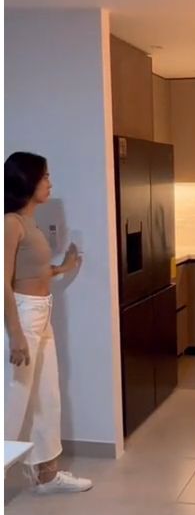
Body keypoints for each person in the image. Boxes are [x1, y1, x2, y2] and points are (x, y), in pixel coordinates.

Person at [4, 151, 92, 493]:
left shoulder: (30, 223)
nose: (50, 183)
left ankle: (46, 475)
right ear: (27, 181)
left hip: (42, 313)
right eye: (45, 177)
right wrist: (15, 334)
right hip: (24, 316)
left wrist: (64, 267)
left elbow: (34, 272)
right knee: (15, 399)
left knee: (47, 395)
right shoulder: (10, 223)